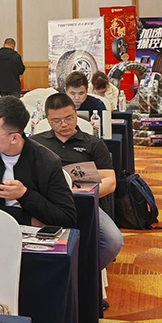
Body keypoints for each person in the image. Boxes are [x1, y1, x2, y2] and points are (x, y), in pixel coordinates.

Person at [32, 93, 124, 271]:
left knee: (113, 241)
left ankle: (84, 276)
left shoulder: (93, 144)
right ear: (48, 120)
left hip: (84, 204)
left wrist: (83, 195)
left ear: (76, 114)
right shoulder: (36, 143)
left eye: (69, 118)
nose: (64, 124)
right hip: (48, 203)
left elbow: (110, 182)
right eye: (56, 121)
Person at [0, 96, 77, 227]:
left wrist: (24, 195)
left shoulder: (46, 161)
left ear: (14, 138)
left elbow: (66, 218)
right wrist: (27, 219)